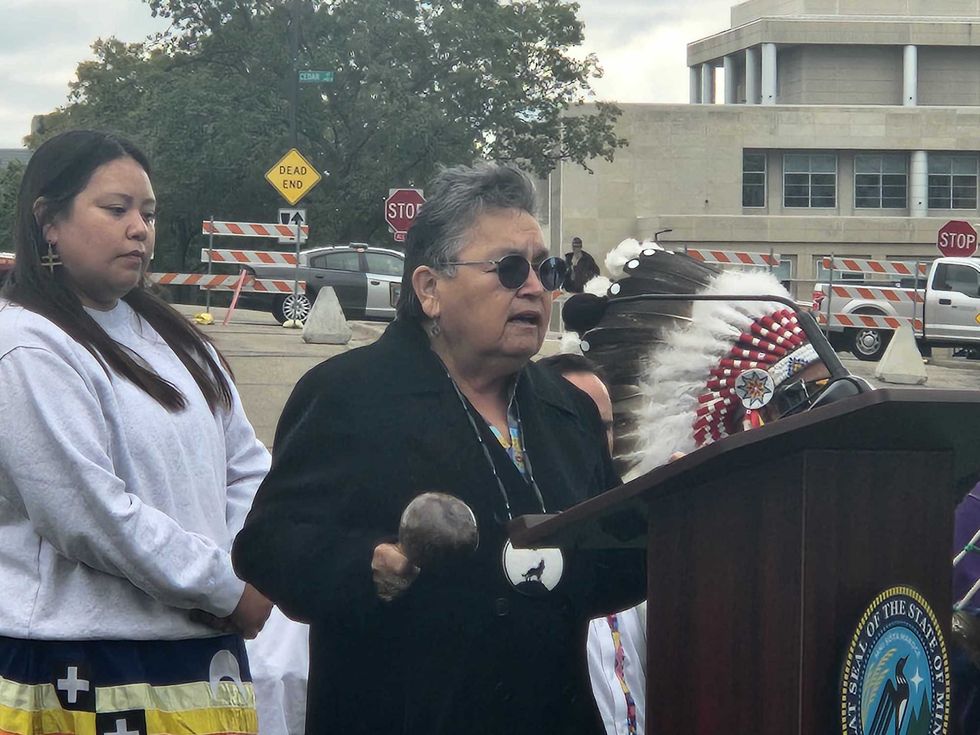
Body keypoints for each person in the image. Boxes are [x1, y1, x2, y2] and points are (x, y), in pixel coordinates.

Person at [233, 163, 645, 735]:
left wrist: (676, 514)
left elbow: (607, 565)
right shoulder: (348, 396)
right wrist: (367, 565)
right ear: (429, 289)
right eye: (509, 268)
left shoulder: (568, 409)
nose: (535, 287)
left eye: (545, 269)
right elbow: (268, 547)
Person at [0, 129, 273, 735]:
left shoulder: (180, 341)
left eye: (147, 213)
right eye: (115, 209)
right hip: (81, 663)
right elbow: (88, 513)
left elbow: (248, 468)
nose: (139, 230)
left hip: (203, 659)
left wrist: (248, 567)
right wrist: (227, 588)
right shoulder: (26, 344)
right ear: (48, 221)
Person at [538, 352, 646, 735]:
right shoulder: (528, 550)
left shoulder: (634, 542)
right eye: (580, 425)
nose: (598, 441)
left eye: (606, 427)